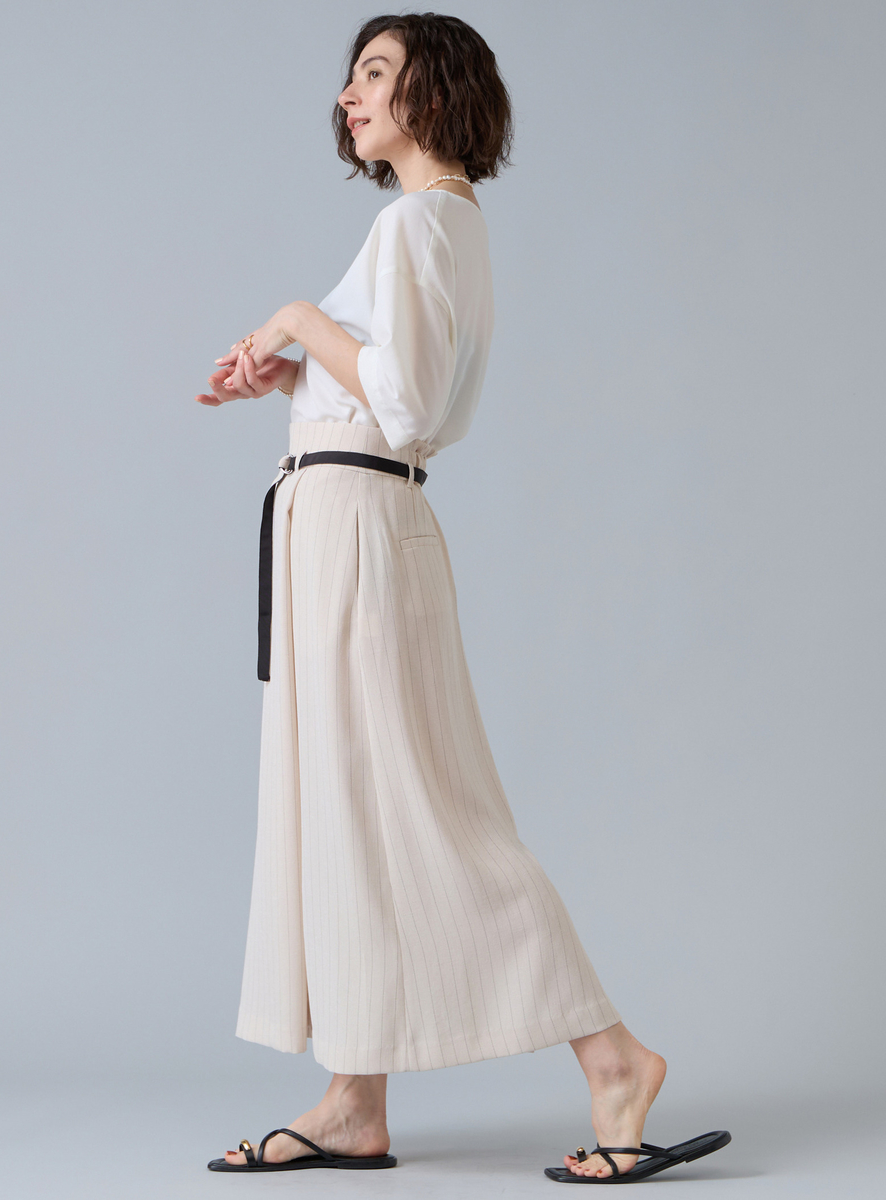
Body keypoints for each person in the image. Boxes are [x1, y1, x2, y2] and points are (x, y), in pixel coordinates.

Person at [194, 11, 686, 1184]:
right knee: (355, 812)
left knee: (423, 810)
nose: (349, 93)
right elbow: (392, 397)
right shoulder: (447, 222)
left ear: (433, 91)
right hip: (358, 521)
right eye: (351, 75)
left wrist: (299, 320)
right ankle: (353, 1100)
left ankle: (614, 1057)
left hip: (357, 530)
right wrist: (295, 379)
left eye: (375, 71)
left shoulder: (415, 222)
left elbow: (409, 405)